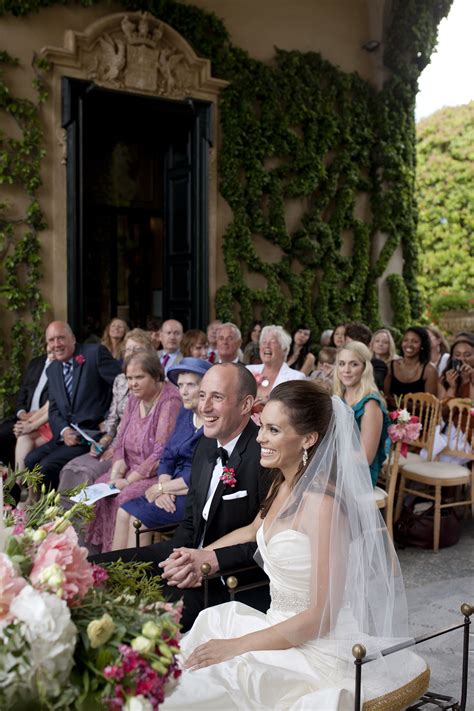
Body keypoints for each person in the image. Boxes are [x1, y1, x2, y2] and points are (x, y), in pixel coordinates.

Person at [161, 382, 426, 710]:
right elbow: (254, 528)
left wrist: (237, 646)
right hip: (276, 625)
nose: (259, 438)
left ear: (309, 439)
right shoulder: (282, 483)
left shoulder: (323, 505)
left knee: (215, 680)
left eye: (273, 430)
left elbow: (320, 618)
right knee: (196, 647)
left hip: (315, 650)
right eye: (263, 427)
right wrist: (204, 553)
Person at [92, 363, 272, 632]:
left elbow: (266, 543)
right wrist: (179, 560)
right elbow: (190, 520)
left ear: (246, 405)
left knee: (133, 621)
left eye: (217, 397)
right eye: (202, 396)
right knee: (96, 572)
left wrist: (207, 562)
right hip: (188, 555)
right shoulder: (206, 444)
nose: (204, 407)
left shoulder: (265, 458)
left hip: (230, 580)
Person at [84, 351, 181, 553]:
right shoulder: (133, 399)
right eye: (129, 378)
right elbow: (121, 442)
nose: (133, 384)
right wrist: (115, 476)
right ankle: (98, 556)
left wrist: (127, 481)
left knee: (123, 496)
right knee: (99, 488)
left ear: (156, 376)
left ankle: (117, 559)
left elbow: (160, 453)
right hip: (129, 470)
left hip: (157, 475)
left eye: (139, 377)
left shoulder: (169, 401)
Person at [111, 357, 213, 550]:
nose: (182, 391)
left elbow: (203, 476)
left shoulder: (213, 423)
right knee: (123, 512)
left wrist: (161, 489)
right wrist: (162, 486)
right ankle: (113, 574)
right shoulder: (185, 413)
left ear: (205, 387)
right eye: (180, 385)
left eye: (190, 385)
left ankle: (135, 578)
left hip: (194, 495)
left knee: (137, 521)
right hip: (170, 485)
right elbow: (167, 456)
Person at [24, 321, 122, 490]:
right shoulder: (52, 369)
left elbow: (122, 386)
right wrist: (64, 431)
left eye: (61, 338)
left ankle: (55, 509)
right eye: (51, 340)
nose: (56, 344)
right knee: (30, 460)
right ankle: (38, 506)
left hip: (93, 435)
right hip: (67, 436)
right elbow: (54, 409)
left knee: (47, 467)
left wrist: (108, 419)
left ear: (73, 339)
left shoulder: (94, 353)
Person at [57, 329, 154, 495]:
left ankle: (84, 518)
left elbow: (141, 428)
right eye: (128, 349)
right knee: (71, 468)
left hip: (135, 449)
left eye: (137, 349)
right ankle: (64, 517)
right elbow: (113, 417)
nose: (132, 354)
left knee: (88, 472)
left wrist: (115, 447)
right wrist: (104, 440)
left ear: (149, 353)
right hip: (114, 441)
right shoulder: (120, 380)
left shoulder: (152, 383)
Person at [333, 342, 389, 485]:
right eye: (342, 363)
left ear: (365, 368)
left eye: (354, 364)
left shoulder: (370, 404)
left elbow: (366, 457)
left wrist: (328, 456)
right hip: (337, 465)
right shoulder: (339, 397)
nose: (346, 370)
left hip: (359, 474)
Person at [0, 350, 51, 469]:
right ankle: (9, 472)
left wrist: (31, 420)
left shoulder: (61, 369)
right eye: (50, 341)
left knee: (26, 442)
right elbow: (22, 393)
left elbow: (51, 406)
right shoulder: (35, 363)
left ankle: (17, 479)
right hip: (25, 416)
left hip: (43, 421)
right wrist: (22, 412)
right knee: (2, 433)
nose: (54, 346)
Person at [247, 326, 306, 417]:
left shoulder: (296, 378)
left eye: (273, 342)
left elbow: (297, 412)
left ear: (285, 349)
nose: (266, 345)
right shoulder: (248, 370)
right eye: (264, 342)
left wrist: (271, 404)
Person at [384, 326, 438, 409]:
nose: (409, 344)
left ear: (422, 345)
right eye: (406, 340)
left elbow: (429, 404)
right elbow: (386, 397)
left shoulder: (430, 370)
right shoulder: (391, 366)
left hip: (419, 419)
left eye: (415, 341)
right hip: (392, 416)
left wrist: (403, 404)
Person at [345, 322, 387, 391]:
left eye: (355, 347)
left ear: (368, 346)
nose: (349, 349)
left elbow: (373, 383)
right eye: (347, 344)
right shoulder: (339, 363)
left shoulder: (378, 366)